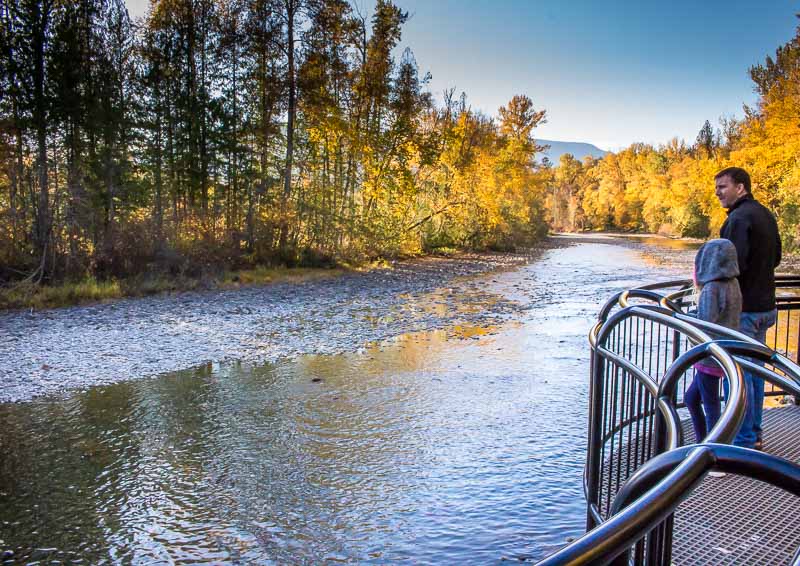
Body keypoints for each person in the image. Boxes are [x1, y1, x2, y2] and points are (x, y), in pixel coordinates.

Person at [715, 166, 782, 449]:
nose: (718, 192)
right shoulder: (765, 214)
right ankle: (753, 434)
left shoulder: (738, 220)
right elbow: (776, 257)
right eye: (717, 187)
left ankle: (743, 440)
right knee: (755, 372)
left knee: (739, 374)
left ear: (740, 187)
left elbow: (732, 265)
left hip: (743, 309)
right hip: (765, 305)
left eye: (723, 187)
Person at [685, 239, 742, 442]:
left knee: (710, 405)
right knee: (691, 399)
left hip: (710, 356)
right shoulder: (733, 283)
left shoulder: (711, 289)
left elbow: (706, 324)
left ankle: (714, 452)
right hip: (725, 350)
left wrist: (688, 318)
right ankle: (702, 443)